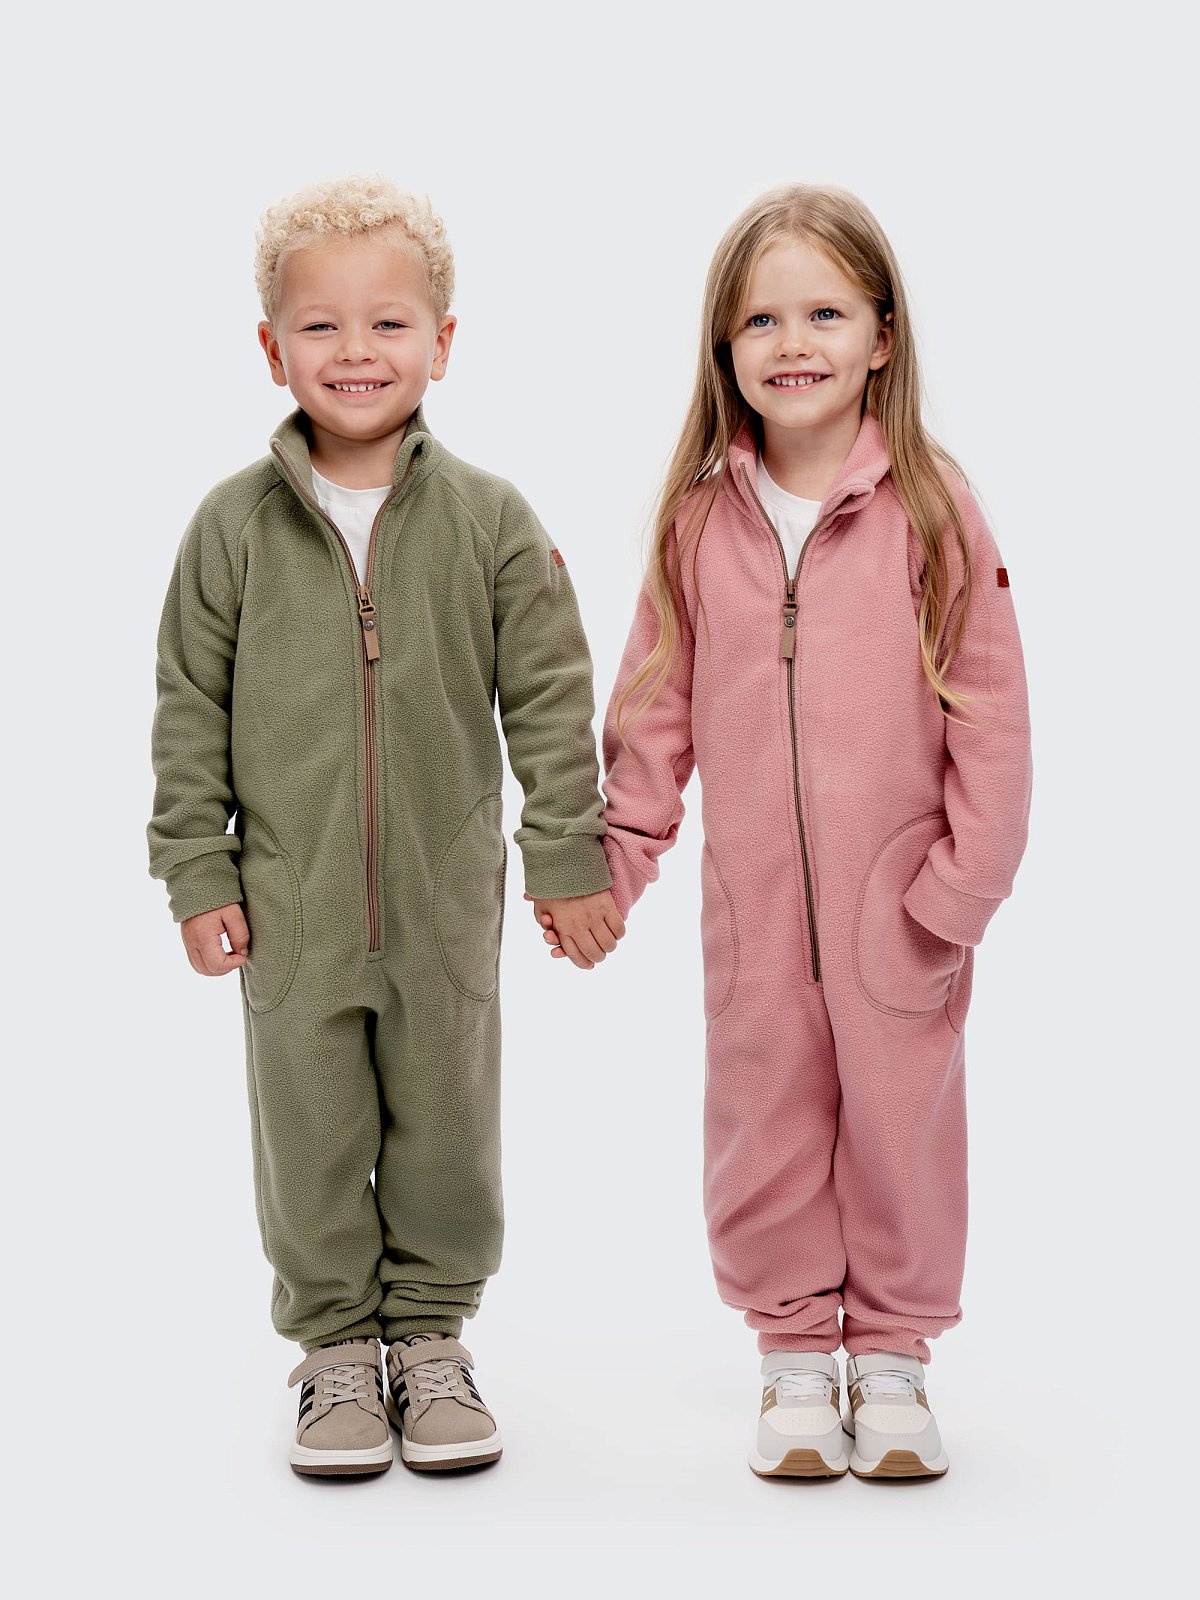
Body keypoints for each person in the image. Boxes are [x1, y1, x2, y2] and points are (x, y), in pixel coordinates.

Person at [539, 184, 1032, 1479]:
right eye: (760, 320)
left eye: (824, 313)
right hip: (754, 911)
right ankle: (796, 1355)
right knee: (763, 1119)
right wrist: (612, 868)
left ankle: (896, 1355)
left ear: (882, 335)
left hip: (901, 910)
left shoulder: (933, 508)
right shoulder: (701, 522)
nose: (793, 342)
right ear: (725, 350)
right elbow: (653, 711)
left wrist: (961, 889)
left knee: (902, 1124)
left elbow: (991, 711)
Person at [147, 174, 624, 1478]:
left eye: (389, 323)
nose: (355, 351)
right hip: (289, 906)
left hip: (442, 900)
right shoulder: (232, 529)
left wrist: (567, 853)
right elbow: (187, 708)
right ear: (271, 347)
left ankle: (428, 1335)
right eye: (321, 325)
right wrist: (195, 868)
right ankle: (336, 1352)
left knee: (448, 1128)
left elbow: (549, 694)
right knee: (310, 1134)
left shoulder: (491, 522)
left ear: (443, 342)